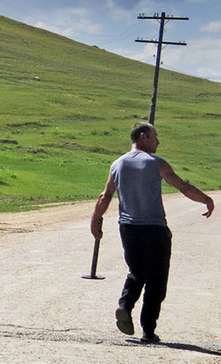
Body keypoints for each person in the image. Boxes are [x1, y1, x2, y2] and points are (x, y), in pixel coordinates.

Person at [90, 122, 214, 343]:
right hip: (155, 228)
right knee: (157, 279)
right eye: (155, 136)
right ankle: (148, 330)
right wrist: (206, 199)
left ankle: (125, 305)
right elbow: (183, 187)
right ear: (144, 136)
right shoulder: (157, 163)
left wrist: (96, 219)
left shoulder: (117, 164)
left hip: (128, 228)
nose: (158, 141)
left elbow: (105, 196)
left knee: (137, 271)